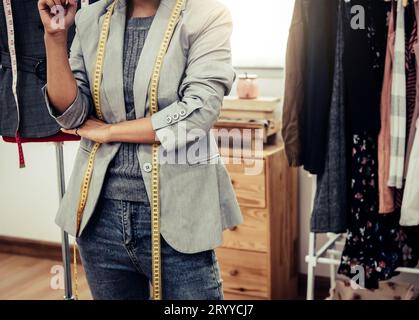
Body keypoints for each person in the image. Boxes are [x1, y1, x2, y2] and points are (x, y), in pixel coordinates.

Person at [38, 0, 242, 300]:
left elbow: (198, 114)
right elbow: (72, 115)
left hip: (178, 220)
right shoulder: (91, 18)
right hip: (99, 219)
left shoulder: (206, 14)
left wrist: (109, 131)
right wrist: (55, 38)